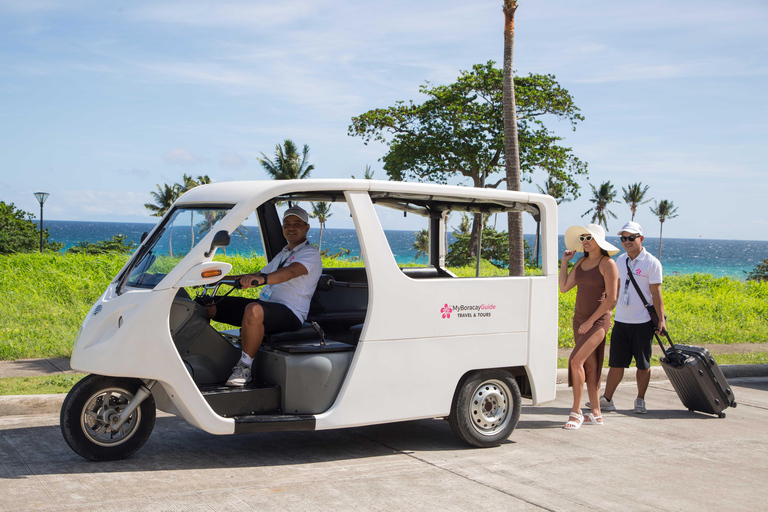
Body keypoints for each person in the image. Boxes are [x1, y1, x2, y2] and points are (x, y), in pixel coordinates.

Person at [204, 205, 322, 387]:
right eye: (287, 223)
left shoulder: (310, 253)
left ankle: (245, 367)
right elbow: (254, 275)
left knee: (254, 309)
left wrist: (263, 279)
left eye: (297, 224)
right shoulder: (284, 253)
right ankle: (203, 356)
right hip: (267, 306)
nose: (291, 227)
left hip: (291, 313)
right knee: (208, 304)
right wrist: (218, 279)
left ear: (306, 227)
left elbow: (290, 272)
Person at [588, 221, 665, 414]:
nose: (627, 241)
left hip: (643, 322)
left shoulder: (652, 263)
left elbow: (656, 294)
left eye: (631, 238)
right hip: (621, 322)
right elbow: (614, 291)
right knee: (616, 363)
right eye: (624, 238)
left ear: (641, 239)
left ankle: (640, 400)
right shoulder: (620, 261)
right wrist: (607, 312)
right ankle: (607, 399)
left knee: (643, 364)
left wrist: (661, 319)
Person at [559, 223, 619, 430]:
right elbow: (564, 287)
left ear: (598, 241)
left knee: (575, 362)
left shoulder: (608, 264)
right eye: (582, 238)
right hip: (579, 320)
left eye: (588, 238)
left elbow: (611, 299)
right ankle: (596, 413)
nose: (584, 242)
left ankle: (576, 412)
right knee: (589, 366)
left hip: (597, 322)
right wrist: (565, 262)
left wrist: (590, 321)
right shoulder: (580, 262)